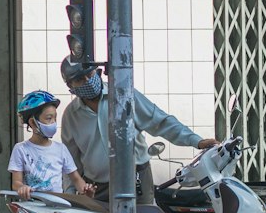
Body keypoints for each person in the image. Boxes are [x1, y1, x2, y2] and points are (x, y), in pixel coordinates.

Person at [59, 58, 216, 204]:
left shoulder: (125, 96)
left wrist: (197, 141)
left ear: (98, 72)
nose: (88, 81)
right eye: (80, 80)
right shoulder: (70, 116)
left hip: (136, 180)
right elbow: (69, 162)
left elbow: (161, 122)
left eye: (90, 74)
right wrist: (70, 195)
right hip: (96, 189)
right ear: (71, 88)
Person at [8, 90, 96, 200]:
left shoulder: (61, 149)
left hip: (56, 211)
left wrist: (85, 191)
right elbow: (16, 183)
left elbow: (76, 179)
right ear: (32, 122)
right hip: (31, 210)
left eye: (55, 118)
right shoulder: (20, 149)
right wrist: (22, 187)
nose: (54, 123)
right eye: (49, 118)